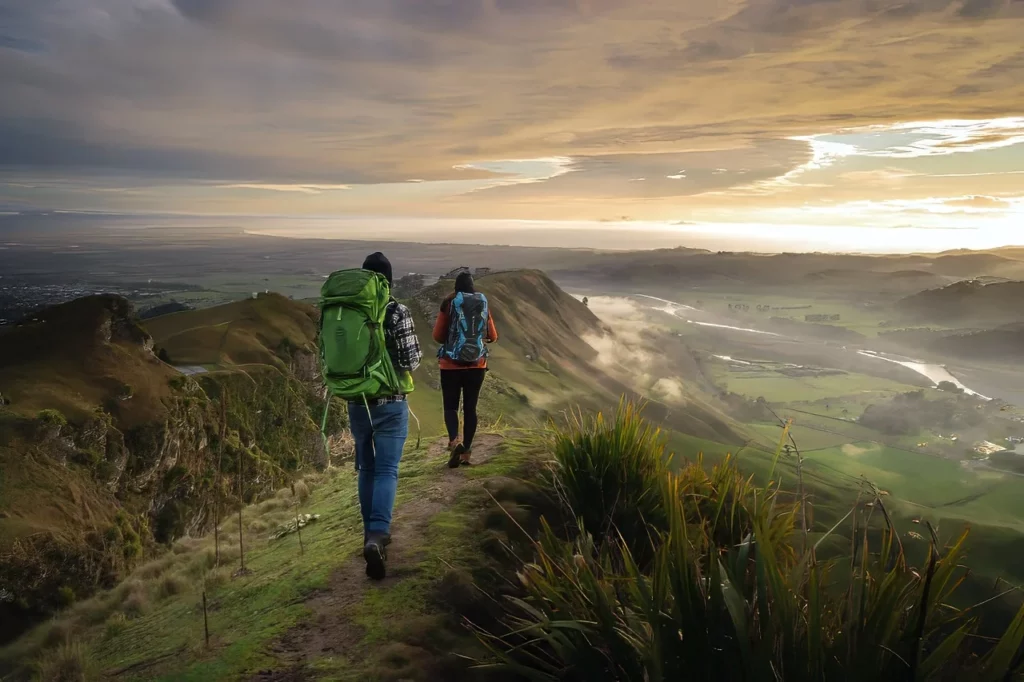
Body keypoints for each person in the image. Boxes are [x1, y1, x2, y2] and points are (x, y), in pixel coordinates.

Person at [350, 252, 422, 580]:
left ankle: (369, 535)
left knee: (366, 467)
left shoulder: (349, 312)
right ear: (390, 281)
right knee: (387, 469)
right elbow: (410, 360)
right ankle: (378, 535)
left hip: (357, 401)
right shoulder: (396, 311)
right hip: (390, 403)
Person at [433, 271, 498, 468]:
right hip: (476, 365)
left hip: (450, 365)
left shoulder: (449, 303)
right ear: (472, 286)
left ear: (456, 287)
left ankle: (454, 441)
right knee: (470, 408)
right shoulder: (481, 303)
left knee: (451, 407)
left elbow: (437, 336)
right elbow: (493, 336)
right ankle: (466, 454)